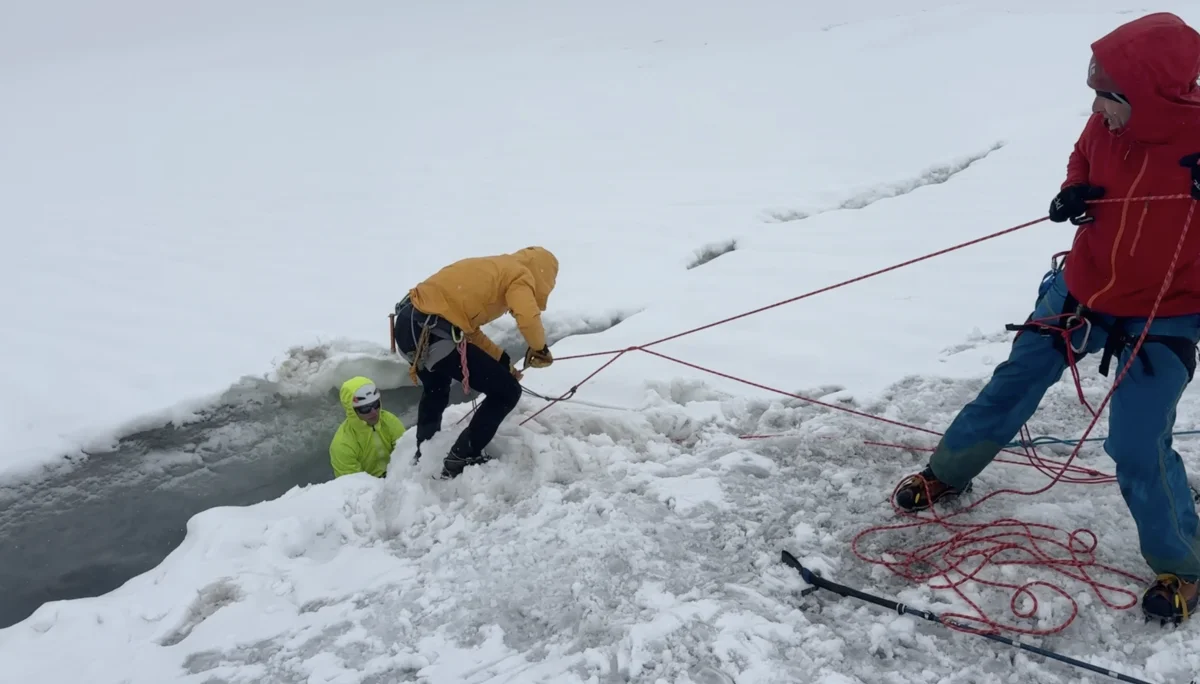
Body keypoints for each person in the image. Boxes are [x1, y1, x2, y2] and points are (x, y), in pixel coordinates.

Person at [890, 12, 1200, 624]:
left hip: (1165, 314)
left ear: (1147, 96)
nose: (1098, 109)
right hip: (1080, 290)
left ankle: (1184, 565)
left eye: (1108, 98)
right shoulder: (1103, 125)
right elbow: (1082, 156)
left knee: (1136, 442)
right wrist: (1073, 188)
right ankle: (947, 473)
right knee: (1014, 381)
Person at [392, 246, 558, 478]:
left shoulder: (496, 268)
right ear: (544, 275)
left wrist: (503, 362)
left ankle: (425, 451)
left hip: (408, 326)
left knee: (436, 388)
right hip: (431, 330)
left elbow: (469, 332)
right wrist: (540, 349)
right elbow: (528, 317)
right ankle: (462, 455)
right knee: (507, 392)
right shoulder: (520, 274)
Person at [329, 376, 407, 478]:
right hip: (369, 490)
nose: (374, 412)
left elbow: (407, 453)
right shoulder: (343, 444)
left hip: (396, 478)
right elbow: (355, 485)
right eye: (365, 408)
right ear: (352, 411)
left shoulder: (389, 421)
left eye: (375, 404)